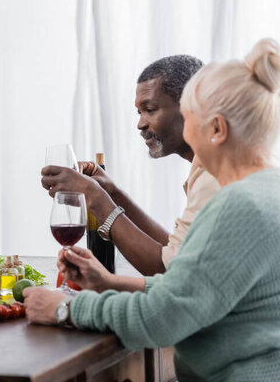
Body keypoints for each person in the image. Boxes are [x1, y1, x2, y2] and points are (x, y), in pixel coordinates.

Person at [26, 38, 280, 381]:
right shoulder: (270, 188)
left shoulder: (236, 204)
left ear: (217, 129)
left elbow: (163, 317)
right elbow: (195, 289)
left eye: (190, 118)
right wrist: (106, 282)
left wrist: (64, 308)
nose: (188, 132)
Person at [42, 55, 221, 292]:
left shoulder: (216, 174)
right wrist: (113, 193)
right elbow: (177, 252)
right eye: (139, 112)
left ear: (193, 106)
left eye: (149, 109)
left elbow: (170, 271)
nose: (140, 124)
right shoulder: (207, 166)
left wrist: (95, 198)